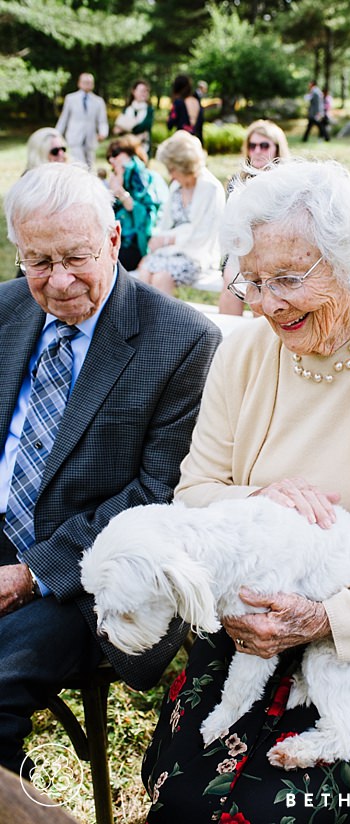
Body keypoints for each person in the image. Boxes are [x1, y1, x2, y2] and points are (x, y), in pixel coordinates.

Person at [141, 158, 350, 823]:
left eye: (290, 280)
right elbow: (196, 492)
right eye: (254, 281)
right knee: (184, 796)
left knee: (282, 812)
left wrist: (328, 619)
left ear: (348, 264)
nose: (267, 304)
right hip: (257, 625)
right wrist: (258, 500)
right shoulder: (243, 353)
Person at [0, 162, 221, 779]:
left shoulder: (180, 341)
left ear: (115, 242)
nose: (59, 280)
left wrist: (29, 574)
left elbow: (158, 495)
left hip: (88, 573)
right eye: (38, 262)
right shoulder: (5, 309)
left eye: (76, 257)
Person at [137, 131, 225, 296]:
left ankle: (163, 321)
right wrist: (160, 243)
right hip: (170, 253)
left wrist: (167, 239)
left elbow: (203, 236)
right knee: (144, 272)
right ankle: (143, 321)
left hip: (197, 257)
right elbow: (164, 225)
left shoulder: (211, 188)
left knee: (161, 278)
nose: (170, 175)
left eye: (173, 169)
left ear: (185, 166)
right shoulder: (176, 187)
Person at [219, 119, 291, 315]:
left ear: (276, 149)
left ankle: (260, 339)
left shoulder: (288, 182)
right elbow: (230, 225)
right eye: (252, 146)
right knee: (230, 284)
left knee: (261, 289)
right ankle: (231, 340)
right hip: (242, 250)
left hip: (276, 253)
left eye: (264, 145)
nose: (257, 150)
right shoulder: (238, 181)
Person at [106, 135, 166, 271]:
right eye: (109, 156)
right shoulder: (116, 179)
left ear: (130, 153)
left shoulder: (148, 178)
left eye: (115, 154)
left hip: (139, 243)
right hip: (119, 241)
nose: (111, 159)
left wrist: (121, 193)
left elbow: (146, 217)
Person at [55, 72, 109, 169]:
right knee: (78, 164)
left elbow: (102, 121)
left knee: (90, 166)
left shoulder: (98, 101)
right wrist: (56, 135)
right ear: (79, 83)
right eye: (85, 82)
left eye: (90, 82)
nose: (87, 84)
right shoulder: (70, 98)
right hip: (75, 137)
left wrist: (103, 133)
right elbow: (64, 119)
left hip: (90, 139)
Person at [112, 79, 155, 157]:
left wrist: (126, 127)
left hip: (143, 147)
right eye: (142, 91)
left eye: (146, 91)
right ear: (134, 91)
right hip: (126, 147)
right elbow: (117, 130)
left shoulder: (149, 110)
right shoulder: (128, 109)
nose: (144, 94)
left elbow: (145, 126)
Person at [167, 74, 204, 144]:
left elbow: (170, 124)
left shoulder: (178, 103)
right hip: (197, 142)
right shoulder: (196, 101)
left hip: (182, 142)